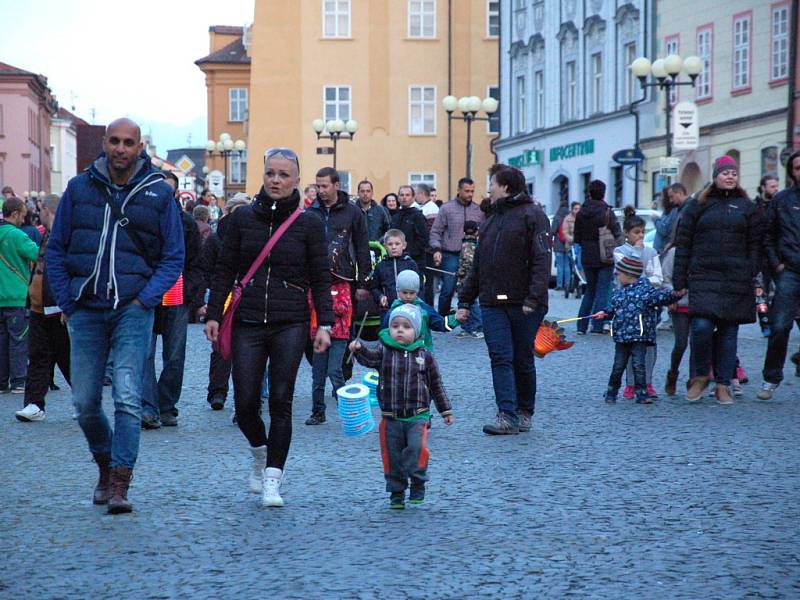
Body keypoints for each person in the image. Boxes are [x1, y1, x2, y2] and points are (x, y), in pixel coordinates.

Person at [46, 118, 184, 514]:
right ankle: (105, 464)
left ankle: (121, 481)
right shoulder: (79, 188)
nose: (122, 148)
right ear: (105, 143)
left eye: (129, 142)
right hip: (86, 308)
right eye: (115, 141)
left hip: (132, 309)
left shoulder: (157, 192)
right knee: (85, 403)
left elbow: (173, 255)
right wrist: (68, 302)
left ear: (140, 147)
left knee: (127, 396)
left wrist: (145, 299)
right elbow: (56, 249)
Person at [204, 147, 333, 508]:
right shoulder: (242, 219)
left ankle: (273, 477)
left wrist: (325, 323)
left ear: (296, 179)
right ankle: (259, 453)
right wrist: (214, 313)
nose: (276, 180)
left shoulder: (308, 224)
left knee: (280, 399)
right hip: (247, 321)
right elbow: (224, 269)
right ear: (263, 175)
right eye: (271, 173)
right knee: (245, 403)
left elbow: (321, 278)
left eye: (283, 175)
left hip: (290, 322)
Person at [457, 164, 551, 435]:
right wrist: (465, 301)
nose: (488, 188)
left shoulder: (533, 215)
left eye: (492, 183)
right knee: (500, 356)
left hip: (524, 303)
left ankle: (524, 411)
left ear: (505, 187)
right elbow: (479, 265)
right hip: (491, 303)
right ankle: (506, 414)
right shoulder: (490, 219)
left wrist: (533, 299)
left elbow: (542, 260)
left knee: (522, 357)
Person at [672, 155, 760, 404]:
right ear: (716, 176)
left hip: (736, 278)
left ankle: (723, 384)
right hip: (704, 275)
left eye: (734, 173)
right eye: (725, 173)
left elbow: (755, 243)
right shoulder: (698, 205)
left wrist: (751, 268)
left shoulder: (746, 206)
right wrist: (680, 279)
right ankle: (701, 376)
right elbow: (684, 242)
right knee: (700, 328)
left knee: (729, 333)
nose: (730, 176)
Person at [350, 303, 453, 509]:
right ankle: (396, 492)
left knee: (416, 449)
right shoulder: (384, 350)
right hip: (391, 416)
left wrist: (445, 410)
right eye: (395, 325)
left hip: (418, 415)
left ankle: (417, 482)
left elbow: (436, 384)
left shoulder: (425, 356)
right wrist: (359, 349)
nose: (399, 330)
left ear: (416, 331)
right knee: (392, 456)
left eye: (405, 326)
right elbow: (369, 359)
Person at [140, 172, 203, 429]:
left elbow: (197, 264)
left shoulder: (186, 223)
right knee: (144, 354)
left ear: (176, 193)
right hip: (146, 295)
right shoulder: (142, 221)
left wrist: (191, 294)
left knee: (174, 356)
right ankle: (148, 407)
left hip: (177, 296)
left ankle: (167, 406)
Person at [15, 194, 71, 422]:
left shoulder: (64, 235)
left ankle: (86, 401)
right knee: (37, 355)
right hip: (39, 305)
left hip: (57, 305)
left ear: (47, 210)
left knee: (67, 357)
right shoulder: (48, 235)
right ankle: (34, 404)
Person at [596, 256, 681, 404]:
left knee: (638, 365)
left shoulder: (645, 291)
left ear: (629, 275)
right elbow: (614, 309)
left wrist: (675, 294)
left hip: (638, 336)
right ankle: (612, 391)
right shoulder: (619, 293)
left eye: (619, 273)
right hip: (622, 337)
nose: (617, 276)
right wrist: (605, 313)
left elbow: (661, 296)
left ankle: (641, 393)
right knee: (618, 366)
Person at [201, 193, 250, 411]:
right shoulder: (216, 238)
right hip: (224, 293)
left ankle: (247, 396)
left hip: (248, 293)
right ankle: (218, 391)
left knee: (247, 347)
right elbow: (208, 269)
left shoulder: (253, 234)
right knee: (221, 345)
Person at [758, 151, 800, 400]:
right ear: (791, 172)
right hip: (790, 270)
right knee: (780, 326)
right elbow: (768, 236)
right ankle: (771, 377)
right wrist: (777, 265)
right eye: (797, 168)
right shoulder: (782, 200)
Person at [613, 206, 663, 400]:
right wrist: (636, 252)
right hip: (627, 305)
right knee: (628, 345)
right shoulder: (620, 251)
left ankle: (647, 381)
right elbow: (625, 273)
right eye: (636, 232)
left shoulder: (651, 252)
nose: (640, 236)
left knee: (648, 345)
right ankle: (630, 383)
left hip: (646, 304)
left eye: (643, 232)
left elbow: (656, 277)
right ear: (627, 233)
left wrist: (643, 281)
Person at [308, 167, 372, 305]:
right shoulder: (310, 212)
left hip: (344, 277)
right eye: (318, 186)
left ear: (336, 185)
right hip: (314, 277)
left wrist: (363, 284)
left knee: (343, 323)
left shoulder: (353, 212)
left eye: (325, 186)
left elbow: (362, 248)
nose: (320, 190)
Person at [429, 177, 485, 318]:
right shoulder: (447, 208)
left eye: (472, 191)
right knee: (447, 289)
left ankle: (472, 322)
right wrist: (436, 249)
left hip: (472, 254)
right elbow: (436, 231)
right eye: (467, 191)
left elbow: (484, 231)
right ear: (459, 190)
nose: (470, 194)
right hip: (451, 254)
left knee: (471, 289)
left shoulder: (478, 210)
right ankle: (442, 318)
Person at [0, 197, 39, 394]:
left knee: (1, 340)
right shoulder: (17, 235)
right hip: (16, 295)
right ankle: (18, 381)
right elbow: (38, 254)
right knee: (18, 340)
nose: (24, 219)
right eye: (23, 215)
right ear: (14, 214)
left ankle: (1, 381)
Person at [573, 180, 622, 335]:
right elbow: (617, 232)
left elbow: (577, 237)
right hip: (605, 256)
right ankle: (597, 325)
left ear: (589, 193)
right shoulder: (606, 211)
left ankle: (581, 326)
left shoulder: (581, 213)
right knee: (602, 290)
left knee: (590, 291)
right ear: (603, 193)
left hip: (587, 255)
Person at [305, 279, 351, 425]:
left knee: (334, 370)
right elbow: (311, 303)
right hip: (319, 333)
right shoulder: (316, 286)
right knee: (318, 375)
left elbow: (344, 307)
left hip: (339, 335)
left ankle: (346, 408)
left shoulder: (343, 286)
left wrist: (326, 304)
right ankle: (318, 411)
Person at [381, 269, 457, 350]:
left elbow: (440, 324)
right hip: (397, 351)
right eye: (404, 292)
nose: (408, 296)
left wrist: (455, 318)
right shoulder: (393, 311)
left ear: (417, 292)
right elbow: (384, 332)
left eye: (412, 293)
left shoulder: (424, 309)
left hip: (422, 351)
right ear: (398, 291)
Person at [754, 175, 781, 337]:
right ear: (763, 187)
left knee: (783, 290)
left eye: (776, 186)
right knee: (760, 294)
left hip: (778, 256)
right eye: (772, 186)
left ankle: (777, 317)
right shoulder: (754, 207)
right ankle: (765, 322)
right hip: (759, 256)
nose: (775, 189)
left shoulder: (780, 204)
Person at [660, 245, 689, 395]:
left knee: (700, 344)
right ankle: (673, 373)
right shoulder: (674, 252)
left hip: (702, 303)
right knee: (681, 343)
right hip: (680, 303)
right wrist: (672, 296)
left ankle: (695, 379)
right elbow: (666, 277)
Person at [370, 229, 420, 312]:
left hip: (410, 308)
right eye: (390, 244)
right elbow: (374, 287)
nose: (393, 247)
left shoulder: (411, 264)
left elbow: (419, 286)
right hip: (388, 309)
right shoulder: (380, 265)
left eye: (397, 244)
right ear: (385, 246)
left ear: (404, 245)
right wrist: (380, 296)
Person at [454, 220, 483, 339]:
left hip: (465, 279)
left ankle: (475, 327)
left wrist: (459, 273)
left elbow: (467, 263)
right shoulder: (474, 243)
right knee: (468, 302)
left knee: (469, 302)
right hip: (470, 278)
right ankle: (469, 327)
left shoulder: (467, 244)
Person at [390, 185, 428, 273]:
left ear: (413, 197)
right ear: (398, 197)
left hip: (415, 261)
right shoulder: (396, 216)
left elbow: (424, 240)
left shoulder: (418, 216)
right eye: (402, 195)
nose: (404, 198)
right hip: (396, 260)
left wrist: (408, 253)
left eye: (407, 195)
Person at [414, 183, 440, 306]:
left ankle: (428, 308)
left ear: (421, 194)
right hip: (425, 250)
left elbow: (430, 232)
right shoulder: (424, 207)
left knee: (427, 283)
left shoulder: (431, 209)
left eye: (416, 193)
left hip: (427, 252)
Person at [551, 199, 571, 290]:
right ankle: (567, 284)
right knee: (567, 265)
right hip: (568, 244)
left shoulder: (557, 217)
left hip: (558, 244)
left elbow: (552, 231)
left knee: (559, 265)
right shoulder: (569, 217)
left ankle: (559, 285)